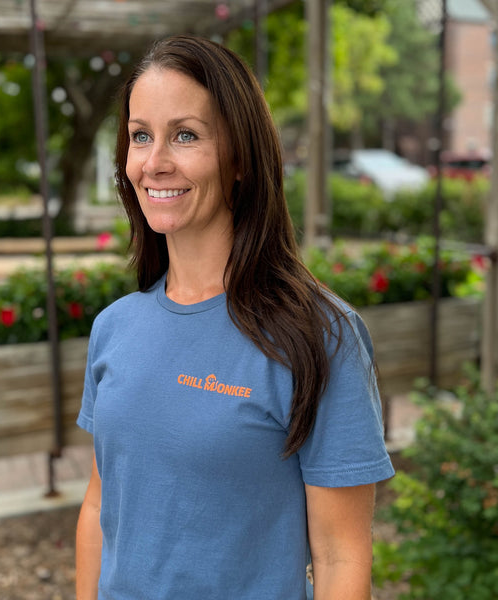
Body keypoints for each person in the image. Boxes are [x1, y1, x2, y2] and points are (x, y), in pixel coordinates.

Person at [76, 34, 394, 600]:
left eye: (186, 135)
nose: (155, 162)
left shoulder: (320, 336)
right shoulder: (113, 329)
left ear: (240, 157)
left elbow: (341, 557)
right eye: (140, 136)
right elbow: (101, 506)